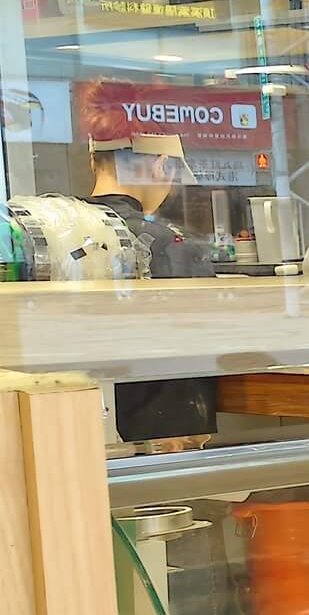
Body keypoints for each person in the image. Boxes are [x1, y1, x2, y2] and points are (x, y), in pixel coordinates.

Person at [82, 118, 219, 441]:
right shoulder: (172, 243)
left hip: (71, 433)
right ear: (162, 167)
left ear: (92, 161)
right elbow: (210, 338)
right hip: (160, 440)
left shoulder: (52, 232)